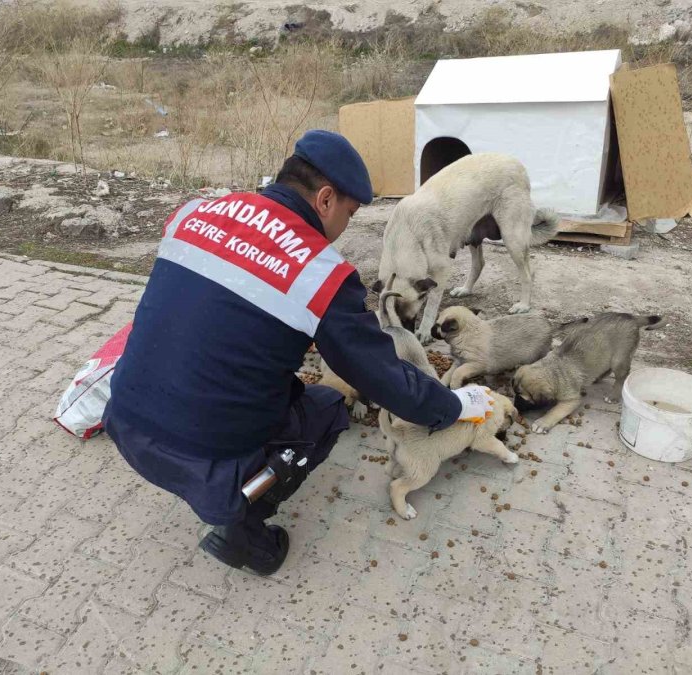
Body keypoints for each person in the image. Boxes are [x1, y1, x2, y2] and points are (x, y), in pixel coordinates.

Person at [103, 130, 494, 576]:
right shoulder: (317, 272)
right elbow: (380, 375)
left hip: (125, 416)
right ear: (325, 199)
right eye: (349, 212)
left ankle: (226, 478)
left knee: (272, 380)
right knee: (327, 408)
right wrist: (452, 405)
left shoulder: (195, 212)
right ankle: (242, 520)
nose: (346, 226)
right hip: (199, 447)